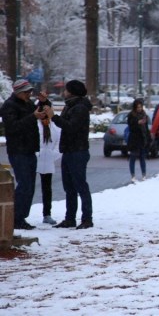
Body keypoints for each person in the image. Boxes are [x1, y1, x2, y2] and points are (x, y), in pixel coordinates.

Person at [45, 80, 94, 229]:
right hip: (69, 150)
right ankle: (70, 218)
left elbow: (71, 127)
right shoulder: (71, 105)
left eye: (66, 90)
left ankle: (87, 219)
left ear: (72, 91)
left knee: (80, 186)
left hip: (78, 151)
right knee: (69, 187)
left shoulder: (80, 108)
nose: (64, 92)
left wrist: (54, 117)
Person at [0, 80, 48, 229]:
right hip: (18, 150)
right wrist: (33, 117)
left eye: (30, 92)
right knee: (24, 184)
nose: (29, 94)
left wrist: (43, 103)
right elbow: (13, 127)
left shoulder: (27, 104)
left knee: (30, 185)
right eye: (26, 92)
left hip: (29, 149)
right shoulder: (9, 106)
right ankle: (16, 217)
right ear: (18, 92)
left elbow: (37, 114)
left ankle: (21, 217)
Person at [36, 99, 61, 225]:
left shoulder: (55, 127)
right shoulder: (34, 125)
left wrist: (52, 155)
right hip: (34, 160)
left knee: (47, 189)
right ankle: (21, 214)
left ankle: (47, 213)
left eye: (47, 109)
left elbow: (59, 144)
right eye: (43, 109)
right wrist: (37, 154)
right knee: (27, 187)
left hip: (48, 161)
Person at [127, 98, 151, 182]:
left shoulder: (144, 115)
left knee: (142, 157)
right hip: (134, 140)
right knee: (133, 157)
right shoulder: (131, 115)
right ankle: (133, 175)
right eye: (138, 107)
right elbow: (131, 127)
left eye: (140, 107)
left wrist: (148, 138)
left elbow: (146, 128)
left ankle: (144, 174)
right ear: (135, 107)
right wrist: (137, 123)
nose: (139, 109)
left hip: (142, 139)